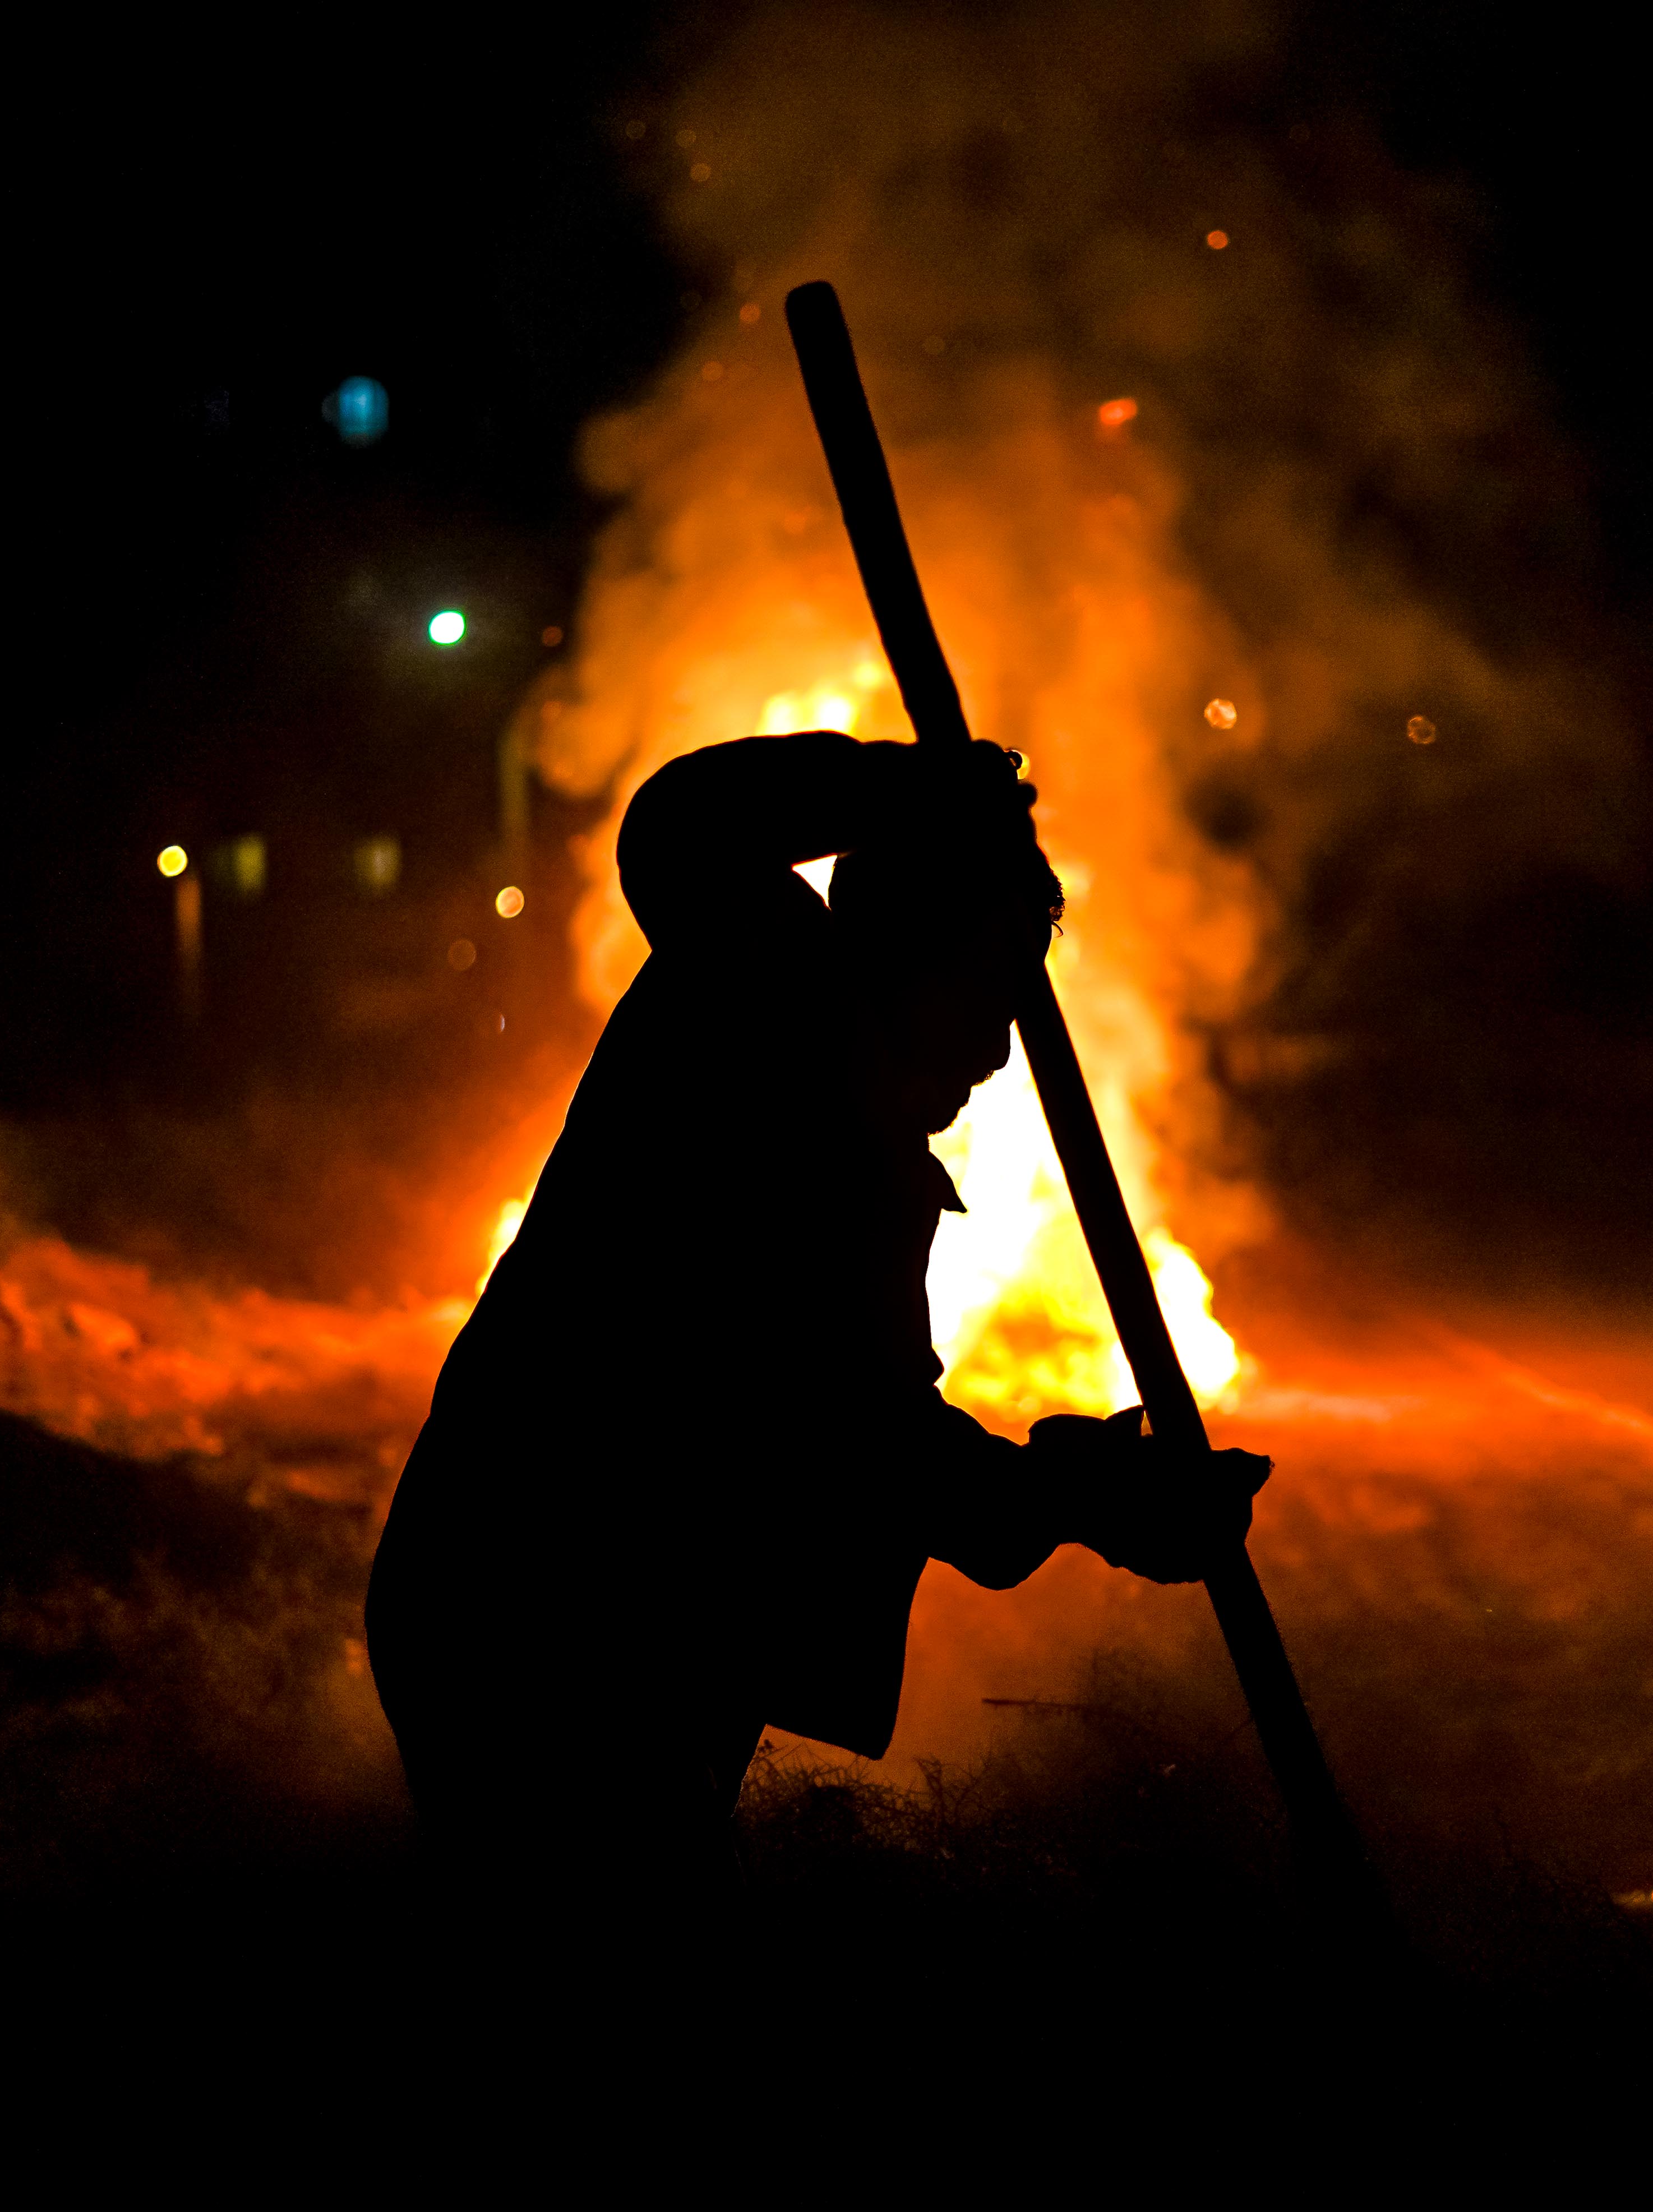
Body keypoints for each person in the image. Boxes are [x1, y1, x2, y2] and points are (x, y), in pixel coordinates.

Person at [366, 729, 1269, 1952]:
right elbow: (683, 825)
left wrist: (1082, 1493)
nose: (999, 1052)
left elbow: (874, 1436)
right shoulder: (758, 984)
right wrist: (906, 786)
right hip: (536, 1608)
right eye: (987, 992)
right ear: (902, 950)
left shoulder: (877, 1162)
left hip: (633, 1627)